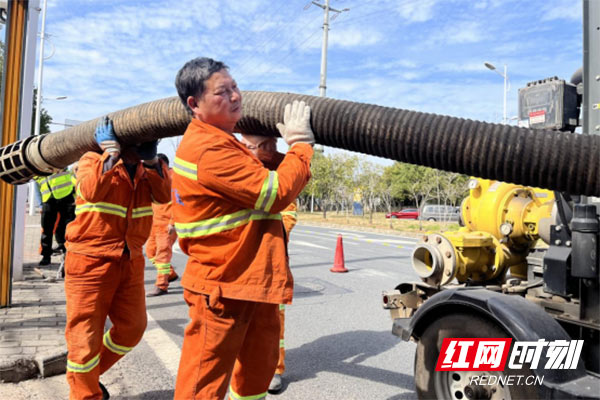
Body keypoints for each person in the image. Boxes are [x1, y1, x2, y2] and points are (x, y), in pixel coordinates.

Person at [172, 57, 314, 400]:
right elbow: (274, 192)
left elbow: (260, 177)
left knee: (256, 374)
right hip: (222, 284)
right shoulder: (207, 148)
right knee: (202, 387)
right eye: (223, 91)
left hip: (251, 282)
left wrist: (270, 149)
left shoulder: (226, 141)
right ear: (194, 104)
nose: (236, 96)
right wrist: (301, 145)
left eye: (235, 87)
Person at [63, 116, 170, 400]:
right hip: (90, 261)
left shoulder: (147, 170)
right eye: (140, 140)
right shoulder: (92, 160)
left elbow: (165, 195)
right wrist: (109, 155)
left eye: (151, 141)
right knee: (84, 338)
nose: (145, 144)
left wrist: (151, 162)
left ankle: (87, 379)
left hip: (130, 260)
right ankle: (85, 395)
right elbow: (90, 189)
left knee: (133, 328)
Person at [239, 134, 298, 394]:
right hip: (240, 265)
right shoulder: (237, 170)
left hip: (271, 264)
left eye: (271, 145)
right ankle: (242, 369)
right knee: (238, 323)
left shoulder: (279, 175)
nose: (266, 149)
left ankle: (274, 369)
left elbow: (289, 214)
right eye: (258, 145)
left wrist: (263, 232)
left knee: (272, 325)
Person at [145, 153, 179, 297]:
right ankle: (170, 274)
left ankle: (161, 285)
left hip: (166, 224)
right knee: (150, 251)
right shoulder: (152, 178)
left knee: (162, 255)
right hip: (155, 223)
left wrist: (173, 222)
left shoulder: (174, 178)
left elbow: (179, 203)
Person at [34, 168, 76, 265]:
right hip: (48, 198)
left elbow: (71, 170)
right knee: (47, 229)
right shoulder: (39, 164)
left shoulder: (59, 158)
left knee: (68, 227)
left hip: (66, 195)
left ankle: (67, 253)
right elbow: (36, 184)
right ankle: (46, 256)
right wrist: (40, 204)